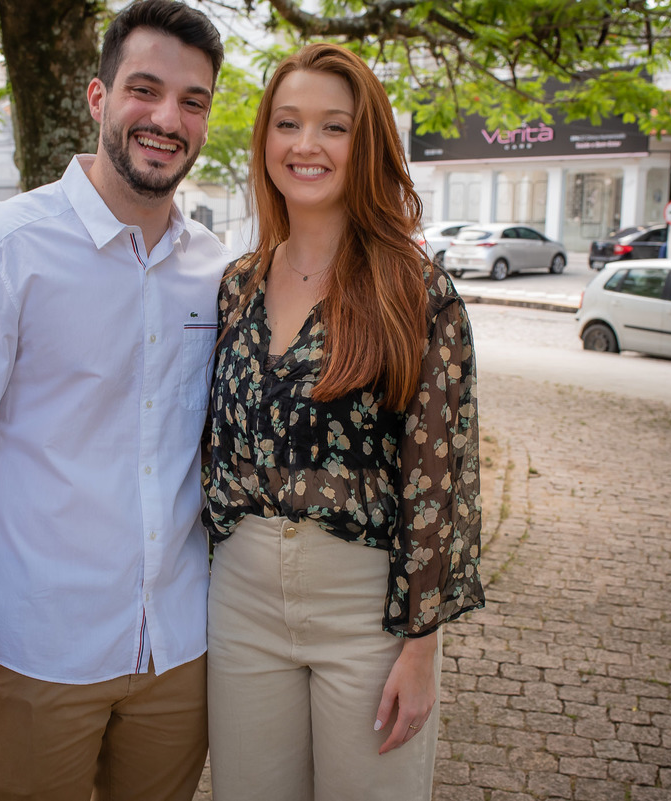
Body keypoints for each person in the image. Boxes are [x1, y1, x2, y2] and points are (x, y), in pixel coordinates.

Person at [0, 2, 225, 799]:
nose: (166, 118)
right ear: (98, 97)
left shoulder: (216, 268)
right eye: (144, 89)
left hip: (179, 648)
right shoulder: (0, 250)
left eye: (192, 100)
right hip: (42, 643)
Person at [202, 43, 485, 801]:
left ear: (367, 145)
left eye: (334, 127)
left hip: (366, 606)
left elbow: (438, 477)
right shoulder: (237, 286)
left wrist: (421, 645)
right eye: (288, 123)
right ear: (264, 141)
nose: (306, 145)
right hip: (241, 599)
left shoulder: (413, 289)